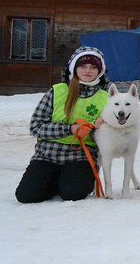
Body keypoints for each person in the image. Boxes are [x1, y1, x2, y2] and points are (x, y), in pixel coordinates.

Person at [15, 47, 108, 203]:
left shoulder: (106, 98)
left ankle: (72, 181)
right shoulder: (56, 91)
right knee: (26, 195)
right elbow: (36, 126)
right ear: (74, 68)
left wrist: (98, 130)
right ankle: (57, 179)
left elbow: (109, 138)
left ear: (99, 71)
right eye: (83, 66)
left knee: (73, 194)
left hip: (80, 156)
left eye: (93, 67)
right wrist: (69, 129)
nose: (88, 70)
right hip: (47, 154)